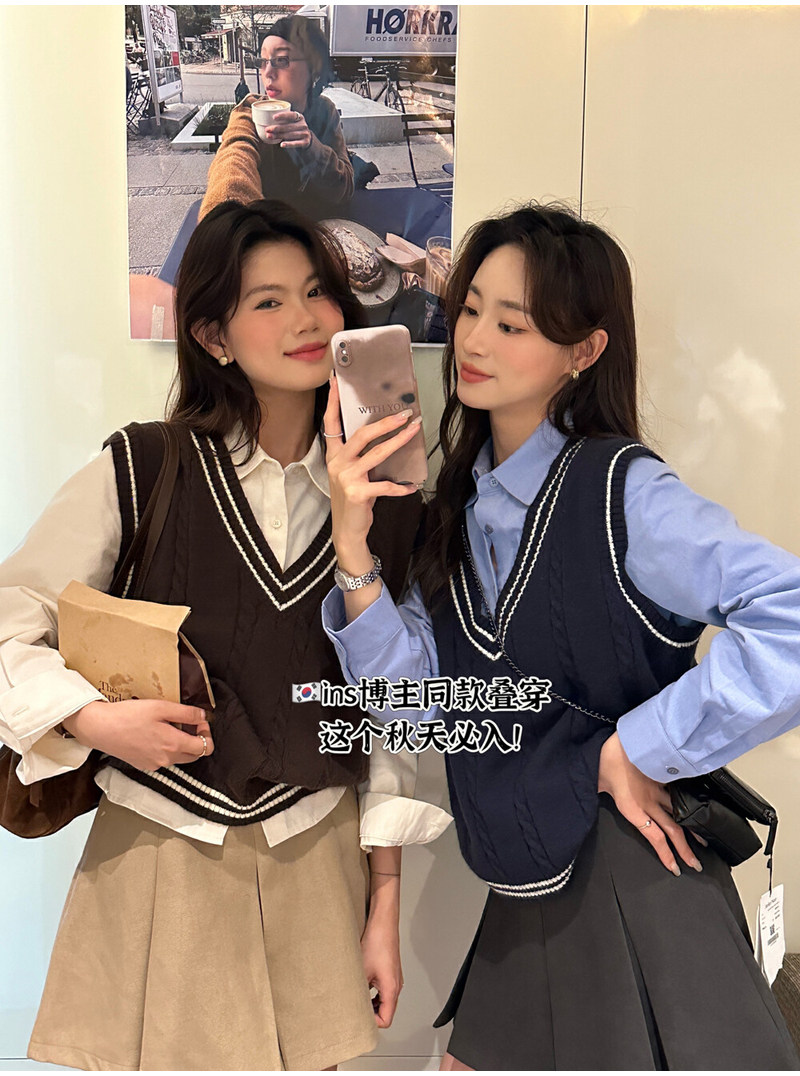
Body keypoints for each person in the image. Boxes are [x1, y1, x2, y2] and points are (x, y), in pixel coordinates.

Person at [321, 202, 800, 1070]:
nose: (475, 340)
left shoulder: (624, 494)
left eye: (513, 324)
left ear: (584, 351)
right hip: (522, 881)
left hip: (636, 883)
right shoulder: (457, 512)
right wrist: (353, 546)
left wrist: (639, 747)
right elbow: (414, 712)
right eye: (470, 309)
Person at [0, 199, 449, 1071]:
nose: (307, 319)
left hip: (315, 855)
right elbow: (13, 619)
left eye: (316, 292)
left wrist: (385, 903)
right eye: (268, 301)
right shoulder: (145, 467)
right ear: (213, 337)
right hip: (158, 852)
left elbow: (396, 718)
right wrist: (92, 721)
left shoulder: (394, 506)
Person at [200, 16, 353, 222]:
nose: (268, 73)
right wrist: (228, 217)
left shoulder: (325, 111)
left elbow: (344, 190)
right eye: (263, 61)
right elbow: (234, 159)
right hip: (266, 229)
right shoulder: (250, 111)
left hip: (320, 227)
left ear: (314, 68)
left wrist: (311, 147)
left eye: (281, 60)